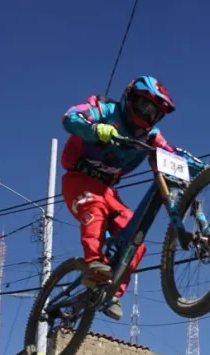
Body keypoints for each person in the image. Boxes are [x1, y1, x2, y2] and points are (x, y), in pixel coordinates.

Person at [60, 75, 183, 320]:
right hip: (79, 179)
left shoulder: (150, 136)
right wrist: (94, 128)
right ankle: (94, 262)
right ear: (130, 98)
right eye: (144, 106)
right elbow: (70, 117)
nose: (147, 116)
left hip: (108, 190)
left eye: (154, 113)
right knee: (94, 208)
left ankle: (112, 292)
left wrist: (194, 167)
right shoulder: (105, 109)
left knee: (136, 239)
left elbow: (171, 153)